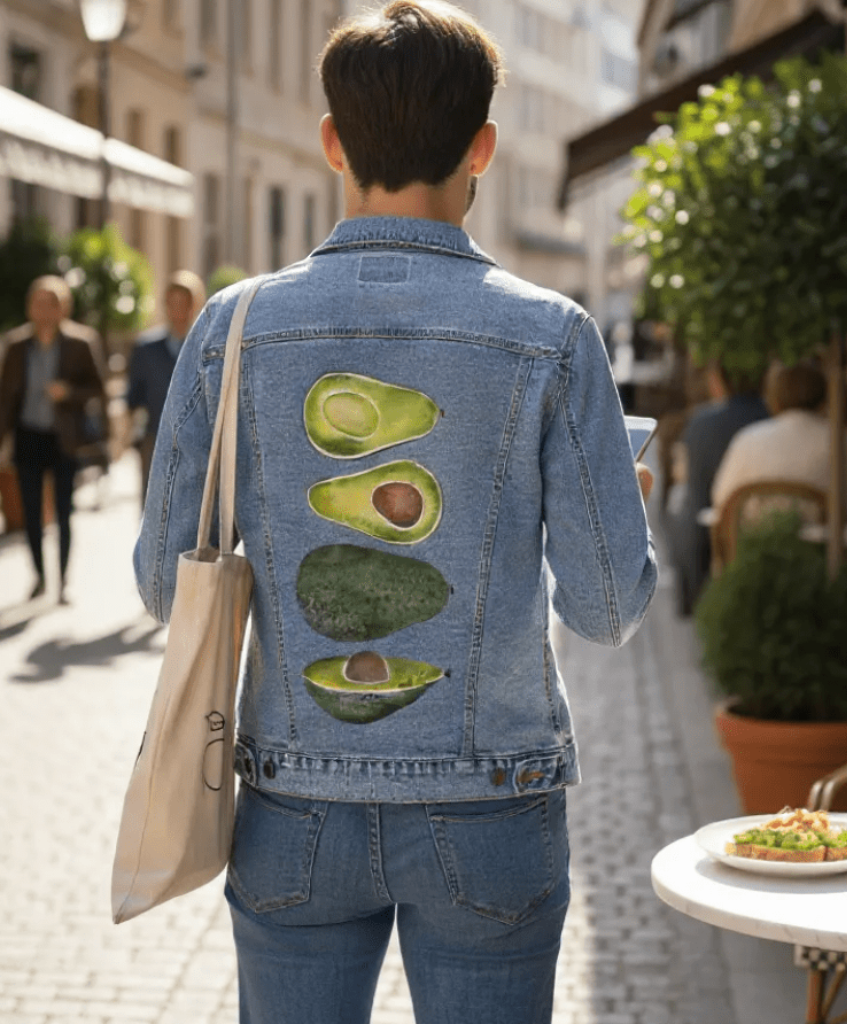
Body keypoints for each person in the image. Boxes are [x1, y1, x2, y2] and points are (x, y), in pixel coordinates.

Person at [133, 4, 657, 1022]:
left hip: (293, 802)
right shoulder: (553, 335)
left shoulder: (232, 328)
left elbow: (165, 583)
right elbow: (602, 608)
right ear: (484, 149)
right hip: (492, 800)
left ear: (333, 142)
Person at [0, 275, 106, 602]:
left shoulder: (80, 342)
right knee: (30, 514)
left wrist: (69, 392)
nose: (44, 310)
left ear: (64, 307)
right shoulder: (17, 345)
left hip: (64, 439)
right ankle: (40, 577)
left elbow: (98, 389)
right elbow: (4, 397)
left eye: (52, 303)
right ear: (30, 307)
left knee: (63, 512)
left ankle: (63, 581)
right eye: (38, 303)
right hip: (28, 435)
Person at [711, 361, 847, 517]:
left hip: (755, 545)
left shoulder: (746, 439)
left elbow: (721, 499)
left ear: (774, 400)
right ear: (824, 401)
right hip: (822, 545)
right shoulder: (843, 439)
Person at [674, 362, 768, 615]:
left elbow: (690, 478)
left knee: (682, 500)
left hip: (713, 534)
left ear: (718, 382)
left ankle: (692, 597)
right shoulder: (769, 417)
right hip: (762, 528)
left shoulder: (701, 423)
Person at [126, 270, 205, 505]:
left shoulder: (208, 346)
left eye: (185, 303)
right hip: (155, 439)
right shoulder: (145, 348)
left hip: (199, 441)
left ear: (196, 304)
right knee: (155, 506)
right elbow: (134, 398)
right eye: (173, 303)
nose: (179, 310)